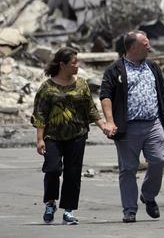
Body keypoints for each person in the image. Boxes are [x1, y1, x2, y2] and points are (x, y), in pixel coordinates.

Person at [99, 31, 164, 223]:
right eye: (145, 44)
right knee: (128, 169)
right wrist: (109, 121)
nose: (149, 46)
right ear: (133, 47)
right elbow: (105, 97)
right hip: (128, 127)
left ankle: (148, 195)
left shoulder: (152, 66)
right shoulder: (114, 70)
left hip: (153, 124)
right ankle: (129, 210)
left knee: (159, 161)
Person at [32, 47, 108, 225]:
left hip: (77, 135)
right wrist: (40, 139)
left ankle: (69, 210)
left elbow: (90, 109)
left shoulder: (81, 84)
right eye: (74, 63)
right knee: (52, 169)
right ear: (62, 65)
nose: (77, 66)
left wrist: (103, 125)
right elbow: (40, 114)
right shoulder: (47, 88)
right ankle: (50, 203)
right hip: (52, 136)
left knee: (72, 174)